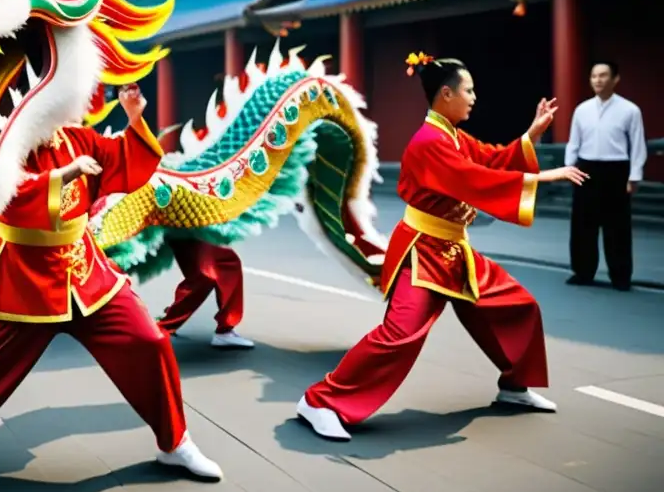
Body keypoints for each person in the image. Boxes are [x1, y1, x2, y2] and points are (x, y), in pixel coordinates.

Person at [0, 86, 221, 489]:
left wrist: (134, 119)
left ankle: (174, 441)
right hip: (24, 284)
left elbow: (121, 164)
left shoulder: (77, 137)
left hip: (86, 273)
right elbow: (6, 193)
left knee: (150, 342)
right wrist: (65, 174)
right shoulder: (2, 145)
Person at [296, 53, 589, 441]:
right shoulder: (428, 142)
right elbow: (474, 178)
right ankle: (321, 402)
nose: (473, 97)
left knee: (517, 306)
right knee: (400, 335)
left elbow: (490, 157)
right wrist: (545, 176)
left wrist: (531, 135)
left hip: (453, 249)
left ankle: (514, 386)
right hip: (422, 252)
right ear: (446, 93)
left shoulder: (450, 133)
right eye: (468, 90)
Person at [565, 61, 647, 291]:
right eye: (594, 76)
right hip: (586, 168)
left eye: (603, 76)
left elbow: (638, 146)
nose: (598, 80)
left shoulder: (630, 110)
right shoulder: (582, 110)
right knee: (582, 225)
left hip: (616, 170)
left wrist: (634, 177)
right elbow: (574, 143)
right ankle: (582, 272)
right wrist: (569, 168)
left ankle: (620, 276)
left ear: (615, 79)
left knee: (617, 226)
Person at [157, 239, 254, 349]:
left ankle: (224, 330)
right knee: (206, 274)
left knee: (223, 264)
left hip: (188, 228)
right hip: (185, 227)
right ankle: (161, 328)